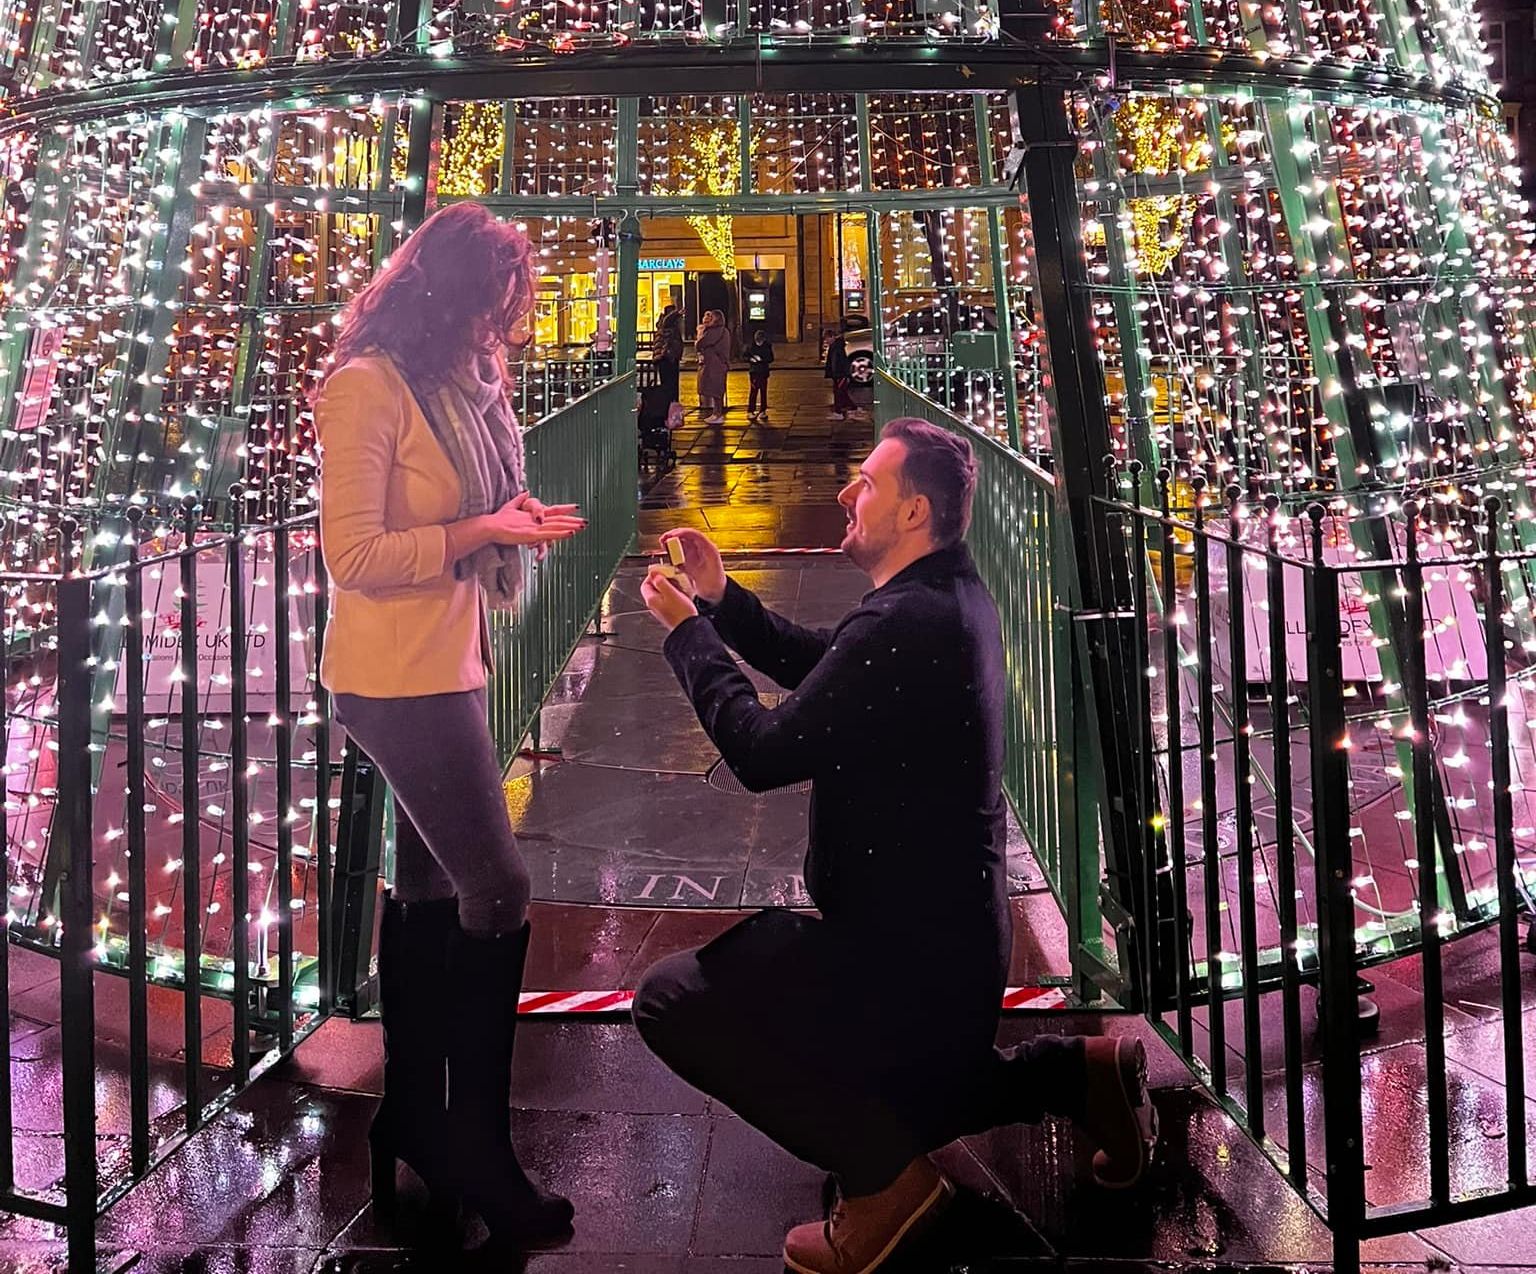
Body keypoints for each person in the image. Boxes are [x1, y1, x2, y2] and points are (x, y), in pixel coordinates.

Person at [631, 418, 1158, 1274]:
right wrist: (725, 601)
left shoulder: (907, 623)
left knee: (672, 1002)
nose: (846, 492)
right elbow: (828, 665)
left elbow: (762, 754)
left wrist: (688, 635)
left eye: (867, 483)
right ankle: (1079, 1074)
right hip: (945, 945)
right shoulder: (944, 598)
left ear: (913, 512)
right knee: (913, 1093)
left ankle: (887, 1189)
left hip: (901, 959)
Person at [314, 201, 587, 1248]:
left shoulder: (456, 389)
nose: (501, 327)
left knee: (430, 885)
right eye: (492, 303)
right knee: (498, 886)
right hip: (394, 677)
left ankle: (419, 1120)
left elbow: (463, 510)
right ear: (449, 295)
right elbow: (359, 555)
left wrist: (507, 523)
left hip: (446, 661)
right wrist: (483, 526)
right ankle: (473, 1139)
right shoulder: (368, 387)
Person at [696, 308, 730, 424]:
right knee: (717, 390)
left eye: (711, 317)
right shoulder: (723, 331)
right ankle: (716, 413)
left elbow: (701, 343)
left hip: (714, 364)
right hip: (718, 363)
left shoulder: (714, 331)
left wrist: (700, 337)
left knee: (716, 390)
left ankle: (717, 414)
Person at [823, 323, 856, 420]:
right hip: (839, 374)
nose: (826, 341)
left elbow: (838, 362)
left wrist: (841, 374)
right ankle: (853, 408)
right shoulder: (836, 346)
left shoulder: (836, 347)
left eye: (827, 339)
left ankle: (839, 412)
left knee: (838, 393)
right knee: (841, 392)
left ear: (832, 337)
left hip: (840, 374)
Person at [653, 304, 684, 406]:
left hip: (666, 356)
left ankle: (670, 404)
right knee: (669, 384)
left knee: (668, 383)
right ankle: (670, 405)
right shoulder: (667, 325)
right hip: (667, 356)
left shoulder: (665, 326)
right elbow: (668, 320)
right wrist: (676, 313)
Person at [746, 328, 774, 422]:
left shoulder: (767, 346)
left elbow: (770, 358)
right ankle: (751, 410)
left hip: (763, 371)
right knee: (753, 391)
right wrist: (751, 359)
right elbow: (745, 356)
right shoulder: (751, 346)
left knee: (763, 391)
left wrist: (761, 359)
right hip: (754, 372)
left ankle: (763, 410)